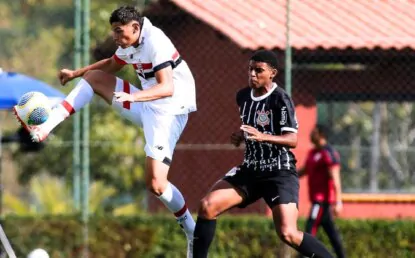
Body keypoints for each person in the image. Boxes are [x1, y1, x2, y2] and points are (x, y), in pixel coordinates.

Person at [13, 6, 196, 257]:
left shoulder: (156, 41)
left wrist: (136, 96)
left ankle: (190, 229)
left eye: (119, 32)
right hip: (146, 104)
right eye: (114, 33)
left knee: (155, 183)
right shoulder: (131, 40)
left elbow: (167, 88)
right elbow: (112, 63)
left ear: (135, 27)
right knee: (95, 78)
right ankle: (47, 126)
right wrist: (77, 73)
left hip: (170, 112)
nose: (116, 38)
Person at [192, 50, 334, 258]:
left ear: (272, 73)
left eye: (259, 70)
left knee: (288, 233)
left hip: (279, 172)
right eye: (250, 69)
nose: (252, 74)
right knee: (207, 206)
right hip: (250, 171)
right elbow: (252, 125)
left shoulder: (281, 99)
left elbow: (291, 140)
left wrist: (263, 136)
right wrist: (241, 136)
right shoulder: (242, 97)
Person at [298, 125, 346, 258]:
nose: (311, 134)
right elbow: (304, 171)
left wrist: (338, 201)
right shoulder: (312, 153)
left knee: (310, 228)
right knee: (332, 234)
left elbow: (336, 178)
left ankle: (304, 255)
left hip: (322, 202)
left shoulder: (328, 153)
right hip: (316, 200)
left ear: (321, 135)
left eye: (314, 132)